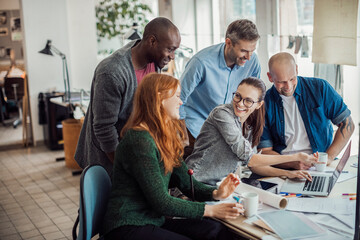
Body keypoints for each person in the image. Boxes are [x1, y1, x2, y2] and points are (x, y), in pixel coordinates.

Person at [103, 73, 242, 240]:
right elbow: (161, 202)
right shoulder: (139, 140)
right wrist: (210, 210)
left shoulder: (163, 137)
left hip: (152, 220)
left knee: (215, 230)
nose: (181, 102)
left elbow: (186, 182)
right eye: (177, 96)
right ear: (160, 99)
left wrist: (216, 193)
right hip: (128, 225)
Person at [75, 17, 181, 175]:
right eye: (169, 49)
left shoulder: (154, 62)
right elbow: (104, 129)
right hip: (108, 157)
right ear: (152, 41)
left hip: (133, 149)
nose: (172, 56)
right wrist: (125, 169)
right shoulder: (112, 72)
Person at [186, 77, 318, 186]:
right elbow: (251, 160)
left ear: (259, 105)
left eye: (248, 100)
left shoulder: (248, 126)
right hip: (195, 184)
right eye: (238, 96)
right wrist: (296, 157)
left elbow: (254, 166)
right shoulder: (222, 114)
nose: (240, 103)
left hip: (218, 187)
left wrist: (289, 174)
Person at [253, 52, 354, 177]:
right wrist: (292, 163)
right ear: (270, 77)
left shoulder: (320, 88)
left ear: (296, 69)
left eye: (292, 79)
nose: (288, 86)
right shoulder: (264, 103)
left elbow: (348, 124)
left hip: (321, 167)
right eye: (281, 82)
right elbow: (265, 152)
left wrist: (329, 157)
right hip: (285, 170)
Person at [180, 19, 261, 159]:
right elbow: (179, 98)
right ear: (228, 43)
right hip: (196, 129)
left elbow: (254, 97)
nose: (248, 57)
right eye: (243, 51)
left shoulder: (252, 62)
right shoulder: (201, 63)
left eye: (252, 51)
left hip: (228, 129)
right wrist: (182, 136)